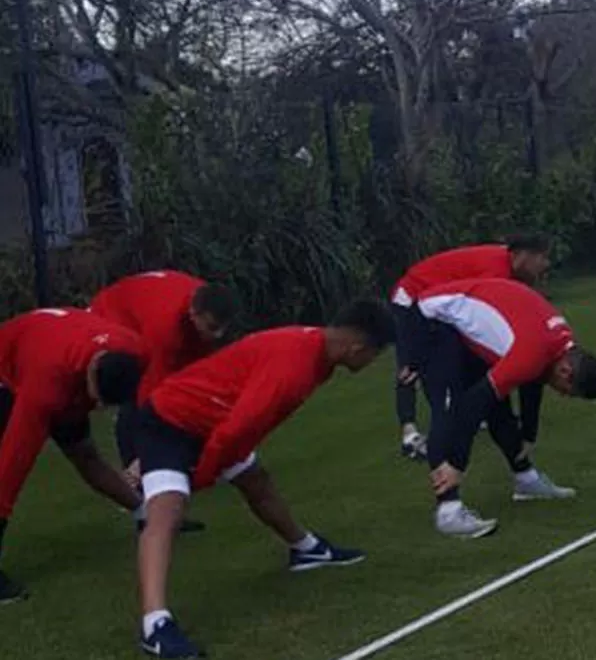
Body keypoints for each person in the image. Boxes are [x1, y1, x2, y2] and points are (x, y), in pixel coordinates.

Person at [134, 301, 395, 659]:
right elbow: (237, 428)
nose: (370, 365)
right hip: (170, 421)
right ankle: (155, 624)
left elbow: (240, 428)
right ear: (358, 347)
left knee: (257, 482)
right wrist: (206, 472)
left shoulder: (317, 354)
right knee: (167, 511)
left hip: (210, 421)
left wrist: (218, 460)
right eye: (374, 356)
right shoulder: (297, 365)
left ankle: (307, 550)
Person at [419, 279, 596, 539]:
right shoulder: (534, 351)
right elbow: (473, 405)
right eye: (568, 391)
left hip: (465, 328)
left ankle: (526, 480)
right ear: (566, 371)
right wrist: (456, 465)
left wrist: (529, 434)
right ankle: (448, 510)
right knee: (449, 408)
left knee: (498, 405)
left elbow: (533, 381)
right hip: (433, 317)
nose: (564, 396)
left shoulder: (558, 345)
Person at [0, 308, 149, 605]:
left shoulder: (136, 350)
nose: (99, 409)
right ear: (92, 371)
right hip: (8, 365)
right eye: (97, 400)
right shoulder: (44, 389)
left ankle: (146, 514)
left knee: (85, 454)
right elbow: (11, 468)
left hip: (59, 353)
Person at [388, 236, 552, 461]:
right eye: (542, 257)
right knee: (410, 366)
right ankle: (409, 434)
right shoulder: (496, 271)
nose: (546, 264)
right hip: (412, 296)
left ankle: (475, 410)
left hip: (436, 302)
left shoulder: (507, 268)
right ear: (522, 256)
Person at [88, 271, 236, 483]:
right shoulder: (165, 329)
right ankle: (136, 470)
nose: (218, 335)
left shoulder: (207, 305)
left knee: (193, 385)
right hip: (114, 316)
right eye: (212, 327)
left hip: (148, 307)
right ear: (194, 313)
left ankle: (196, 455)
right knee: (138, 391)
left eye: (222, 328)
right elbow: (149, 393)